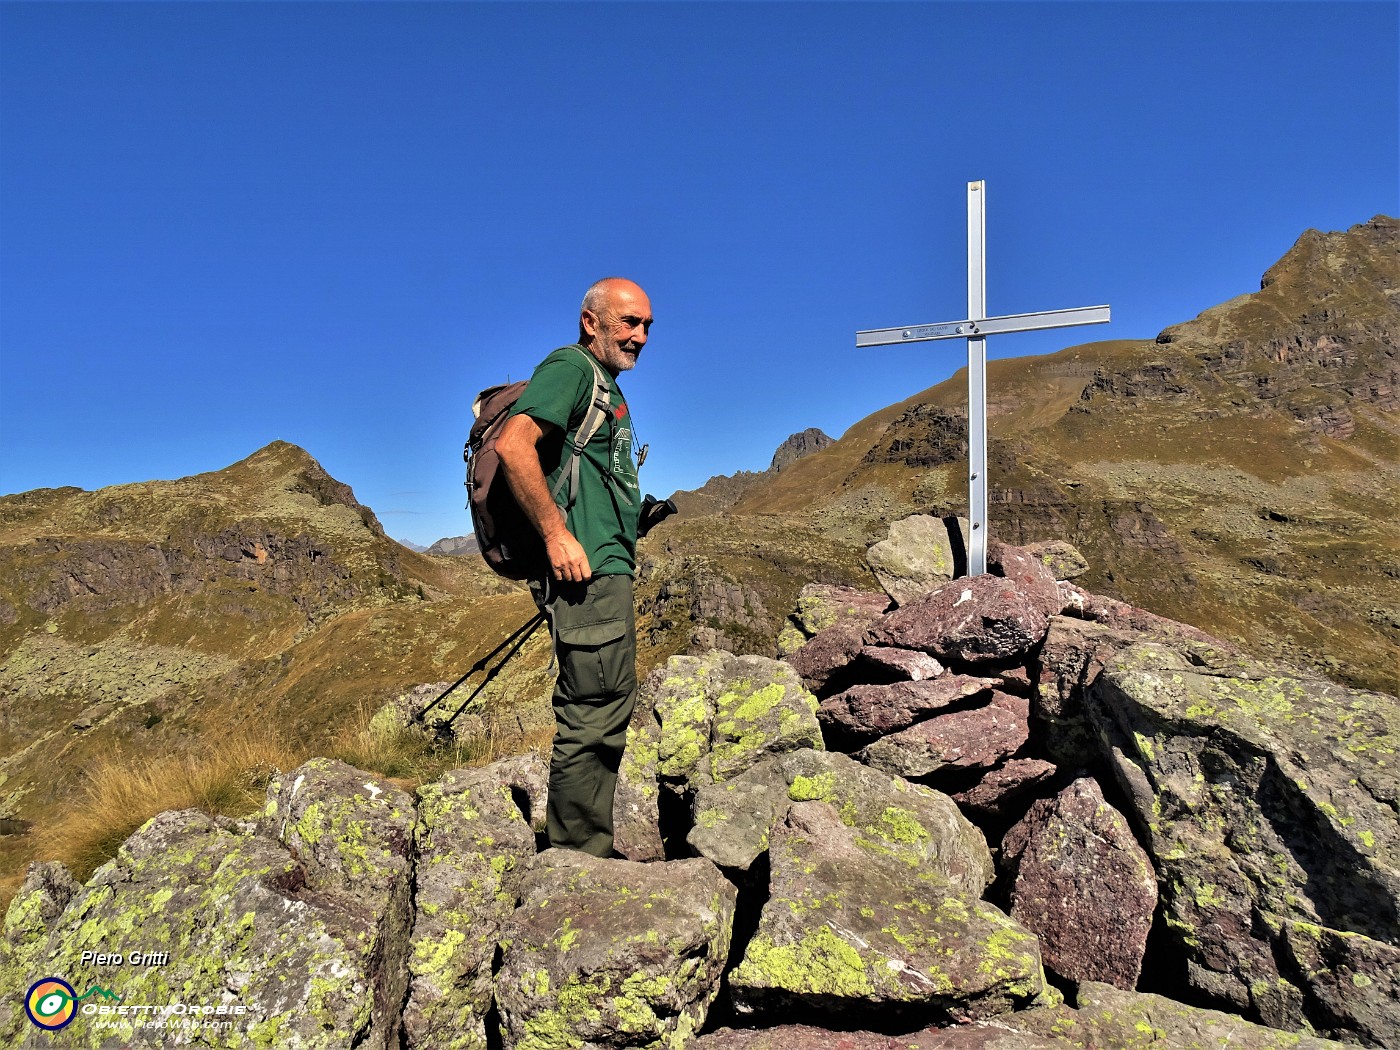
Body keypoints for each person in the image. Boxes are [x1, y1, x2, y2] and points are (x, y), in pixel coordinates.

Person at [495, 277, 654, 857]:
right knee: (594, 711)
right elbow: (515, 444)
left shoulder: (605, 386)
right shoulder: (571, 367)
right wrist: (557, 533)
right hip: (584, 576)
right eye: (628, 323)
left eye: (646, 326)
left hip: (604, 570)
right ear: (592, 323)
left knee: (607, 706)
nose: (639, 336)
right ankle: (579, 859)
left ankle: (583, 846)